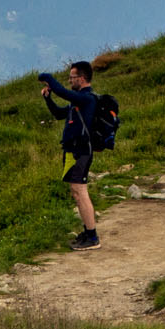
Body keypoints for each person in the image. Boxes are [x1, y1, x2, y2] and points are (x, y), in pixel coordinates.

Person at [40, 61, 102, 250]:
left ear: (81, 79)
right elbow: (59, 114)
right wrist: (48, 98)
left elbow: (64, 93)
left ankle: (92, 237)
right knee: (76, 192)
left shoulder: (87, 99)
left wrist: (47, 77)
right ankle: (87, 232)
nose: (69, 81)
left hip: (80, 152)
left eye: (72, 77)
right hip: (73, 151)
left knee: (80, 191)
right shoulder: (78, 101)